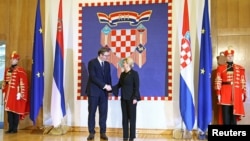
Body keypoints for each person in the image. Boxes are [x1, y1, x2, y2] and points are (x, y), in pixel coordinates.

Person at [85, 47, 112, 140]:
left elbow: (108, 77)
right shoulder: (92, 63)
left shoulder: (107, 64)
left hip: (104, 93)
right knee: (92, 112)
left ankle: (103, 132)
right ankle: (91, 132)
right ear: (100, 55)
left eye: (108, 56)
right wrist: (104, 85)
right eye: (106, 56)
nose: (107, 57)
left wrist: (109, 90)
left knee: (103, 113)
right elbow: (93, 77)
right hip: (93, 92)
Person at [214, 48, 246, 125]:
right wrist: (218, 93)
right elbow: (218, 81)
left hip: (236, 93)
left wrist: (242, 92)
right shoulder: (220, 68)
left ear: (233, 56)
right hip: (225, 93)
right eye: (228, 56)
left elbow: (242, 81)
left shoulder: (240, 68)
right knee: (225, 114)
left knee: (234, 114)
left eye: (231, 56)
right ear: (225, 57)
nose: (230, 57)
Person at [113, 57, 141, 141]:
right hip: (124, 99)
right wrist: (110, 88)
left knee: (132, 118)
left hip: (132, 99)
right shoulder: (122, 74)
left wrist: (135, 97)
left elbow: (137, 87)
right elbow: (119, 85)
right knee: (124, 118)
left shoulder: (134, 74)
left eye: (124, 63)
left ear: (128, 64)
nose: (123, 64)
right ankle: (125, 136)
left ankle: (132, 137)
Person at [2, 51, 29, 133]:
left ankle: (14, 129)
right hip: (8, 94)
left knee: (15, 111)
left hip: (15, 94)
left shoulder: (20, 70)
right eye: (11, 59)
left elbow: (23, 83)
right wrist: (3, 90)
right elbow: (5, 81)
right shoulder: (7, 70)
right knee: (9, 111)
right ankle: (10, 128)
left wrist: (21, 93)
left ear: (17, 60)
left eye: (13, 59)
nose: (12, 60)